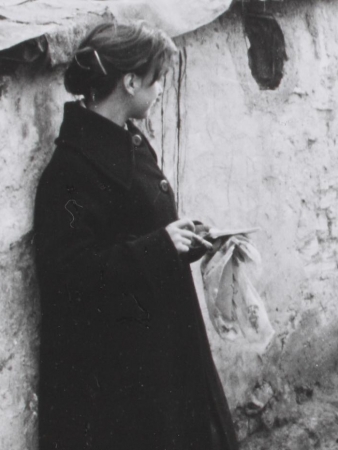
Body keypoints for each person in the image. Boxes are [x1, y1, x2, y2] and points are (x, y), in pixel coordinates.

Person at [33, 22, 237, 450]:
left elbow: (139, 227)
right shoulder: (69, 173)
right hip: (123, 368)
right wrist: (160, 247)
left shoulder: (128, 140)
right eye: (156, 78)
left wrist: (185, 239)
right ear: (129, 81)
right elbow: (69, 272)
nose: (161, 88)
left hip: (163, 347)